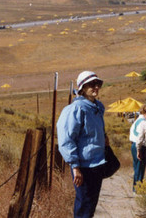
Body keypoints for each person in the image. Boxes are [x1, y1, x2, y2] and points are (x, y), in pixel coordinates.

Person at [57, 71, 107, 218]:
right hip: (84, 166)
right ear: (82, 88)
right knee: (83, 206)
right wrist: (75, 167)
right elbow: (66, 139)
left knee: (91, 205)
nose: (96, 87)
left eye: (98, 84)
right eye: (91, 84)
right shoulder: (75, 109)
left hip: (97, 163)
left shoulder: (97, 107)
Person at [129, 104, 146, 191]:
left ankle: (136, 187)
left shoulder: (137, 120)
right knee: (139, 168)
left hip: (134, 144)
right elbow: (140, 137)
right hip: (139, 146)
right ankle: (137, 188)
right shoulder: (143, 122)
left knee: (137, 167)